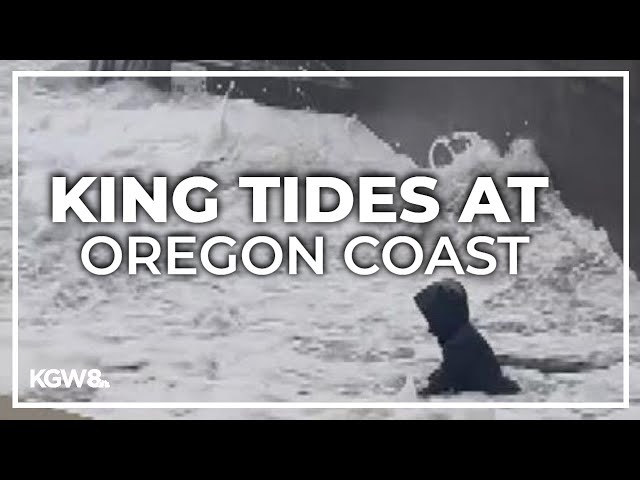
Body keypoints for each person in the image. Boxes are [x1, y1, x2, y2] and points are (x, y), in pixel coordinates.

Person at [414, 279, 520, 397]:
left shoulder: (459, 345)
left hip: (498, 398)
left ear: (445, 318)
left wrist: (418, 395)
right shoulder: (465, 336)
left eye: (433, 321)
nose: (431, 329)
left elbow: (443, 382)